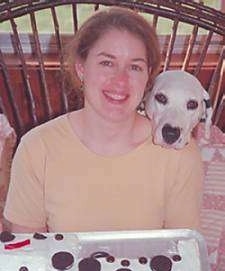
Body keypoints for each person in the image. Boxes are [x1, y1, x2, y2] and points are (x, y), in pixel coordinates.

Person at [3, 6, 203, 233]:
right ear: (81, 68)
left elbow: (185, 254)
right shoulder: (36, 148)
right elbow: (26, 253)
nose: (121, 80)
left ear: (148, 76)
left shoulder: (179, 155)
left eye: (135, 67)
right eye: (107, 63)